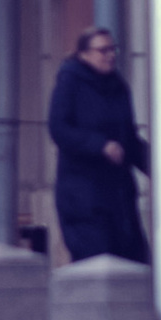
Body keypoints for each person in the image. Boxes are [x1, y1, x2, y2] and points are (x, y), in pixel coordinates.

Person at [46, 25, 150, 266]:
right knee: (96, 266)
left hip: (120, 197)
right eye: (103, 50)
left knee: (135, 265)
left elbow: (130, 140)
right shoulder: (70, 81)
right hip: (84, 197)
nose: (110, 55)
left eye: (113, 49)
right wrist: (99, 145)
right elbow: (59, 128)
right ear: (84, 54)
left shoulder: (118, 87)